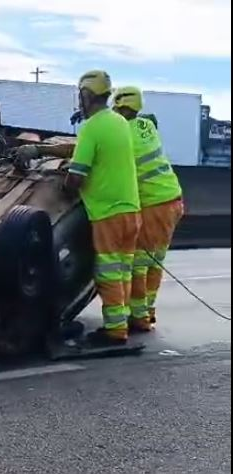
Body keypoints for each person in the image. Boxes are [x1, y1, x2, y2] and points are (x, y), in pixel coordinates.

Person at [64, 71, 142, 347]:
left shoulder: (91, 127)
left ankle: (114, 331)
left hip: (107, 212)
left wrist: (64, 184)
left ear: (86, 95)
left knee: (107, 272)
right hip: (131, 210)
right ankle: (122, 323)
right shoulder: (119, 122)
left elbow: (76, 177)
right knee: (122, 270)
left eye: (81, 96)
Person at [113, 86, 184, 329]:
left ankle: (140, 318)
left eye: (116, 107)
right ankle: (147, 312)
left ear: (122, 106)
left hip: (155, 204)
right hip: (171, 200)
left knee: (139, 264)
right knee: (154, 263)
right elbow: (149, 119)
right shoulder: (147, 126)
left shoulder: (125, 134)